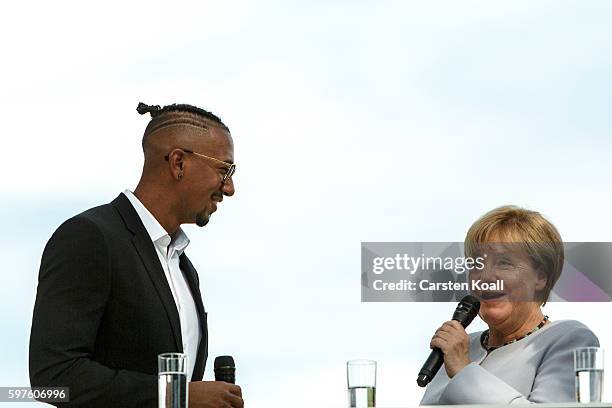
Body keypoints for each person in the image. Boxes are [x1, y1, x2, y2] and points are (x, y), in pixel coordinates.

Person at [29, 103, 244, 408]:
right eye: (224, 169)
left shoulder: (184, 269)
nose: (230, 187)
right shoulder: (89, 238)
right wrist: (176, 396)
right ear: (178, 162)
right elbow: (53, 378)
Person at [420, 205, 599, 405]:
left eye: (504, 263)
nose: (485, 277)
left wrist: (463, 370)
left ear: (540, 277)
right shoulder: (459, 346)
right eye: (477, 264)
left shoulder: (568, 338)